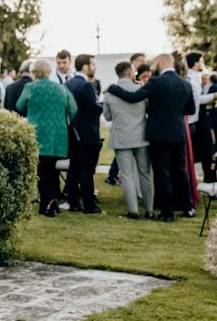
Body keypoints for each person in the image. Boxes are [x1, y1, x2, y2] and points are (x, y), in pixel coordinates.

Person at [108, 53, 197, 222]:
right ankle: (188, 207)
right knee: (180, 170)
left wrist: (113, 88)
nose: (153, 66)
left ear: (163, 62)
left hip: (159, 133)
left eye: (155, 62)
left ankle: (167, 212)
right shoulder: (185, 84)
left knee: (162, 173)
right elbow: (190, 110)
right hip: (178, 132)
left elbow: (133, 98)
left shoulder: (155, 82)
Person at [16, 59, 78, 217]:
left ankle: (50, 200)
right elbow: (73, 108)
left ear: (34, 72)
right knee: (51, 168)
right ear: (49, 71)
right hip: (58, 134)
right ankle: (48, 204)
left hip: (37, 133)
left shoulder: (30, 87)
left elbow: (19, 106)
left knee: (40, 169)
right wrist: (66, 121)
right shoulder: (61, 88)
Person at [103, 62, 154, 219]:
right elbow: (148, 110)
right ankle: (149, 210)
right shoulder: (141, 90)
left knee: (127, 175)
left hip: (121, 137)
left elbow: (107, 116)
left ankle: (133, 211)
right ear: (131, 74)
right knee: (145, 174)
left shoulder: (109, 94)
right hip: (141, 136)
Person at [64, 54, 103, 214]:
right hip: (87, 133)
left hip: (72, 132)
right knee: (87, 170)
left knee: (74, 168)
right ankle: (88, 205)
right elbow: (93, 109)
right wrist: (102, 104)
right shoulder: (85, 86)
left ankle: (72, 202)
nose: (94, 67)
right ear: (85, 67)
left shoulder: (67, 84)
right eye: (93, 65)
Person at [185, 52, 217, 182]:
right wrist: (214, 96)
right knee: (205, 151)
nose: (203, 63)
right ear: (196, 63)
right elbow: (196, 100)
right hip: (195, 119)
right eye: (201, 61)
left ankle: (209, 179)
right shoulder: (190, 77)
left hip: (199, 118)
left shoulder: (195, 76)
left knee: (206, 151)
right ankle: (208, 180)